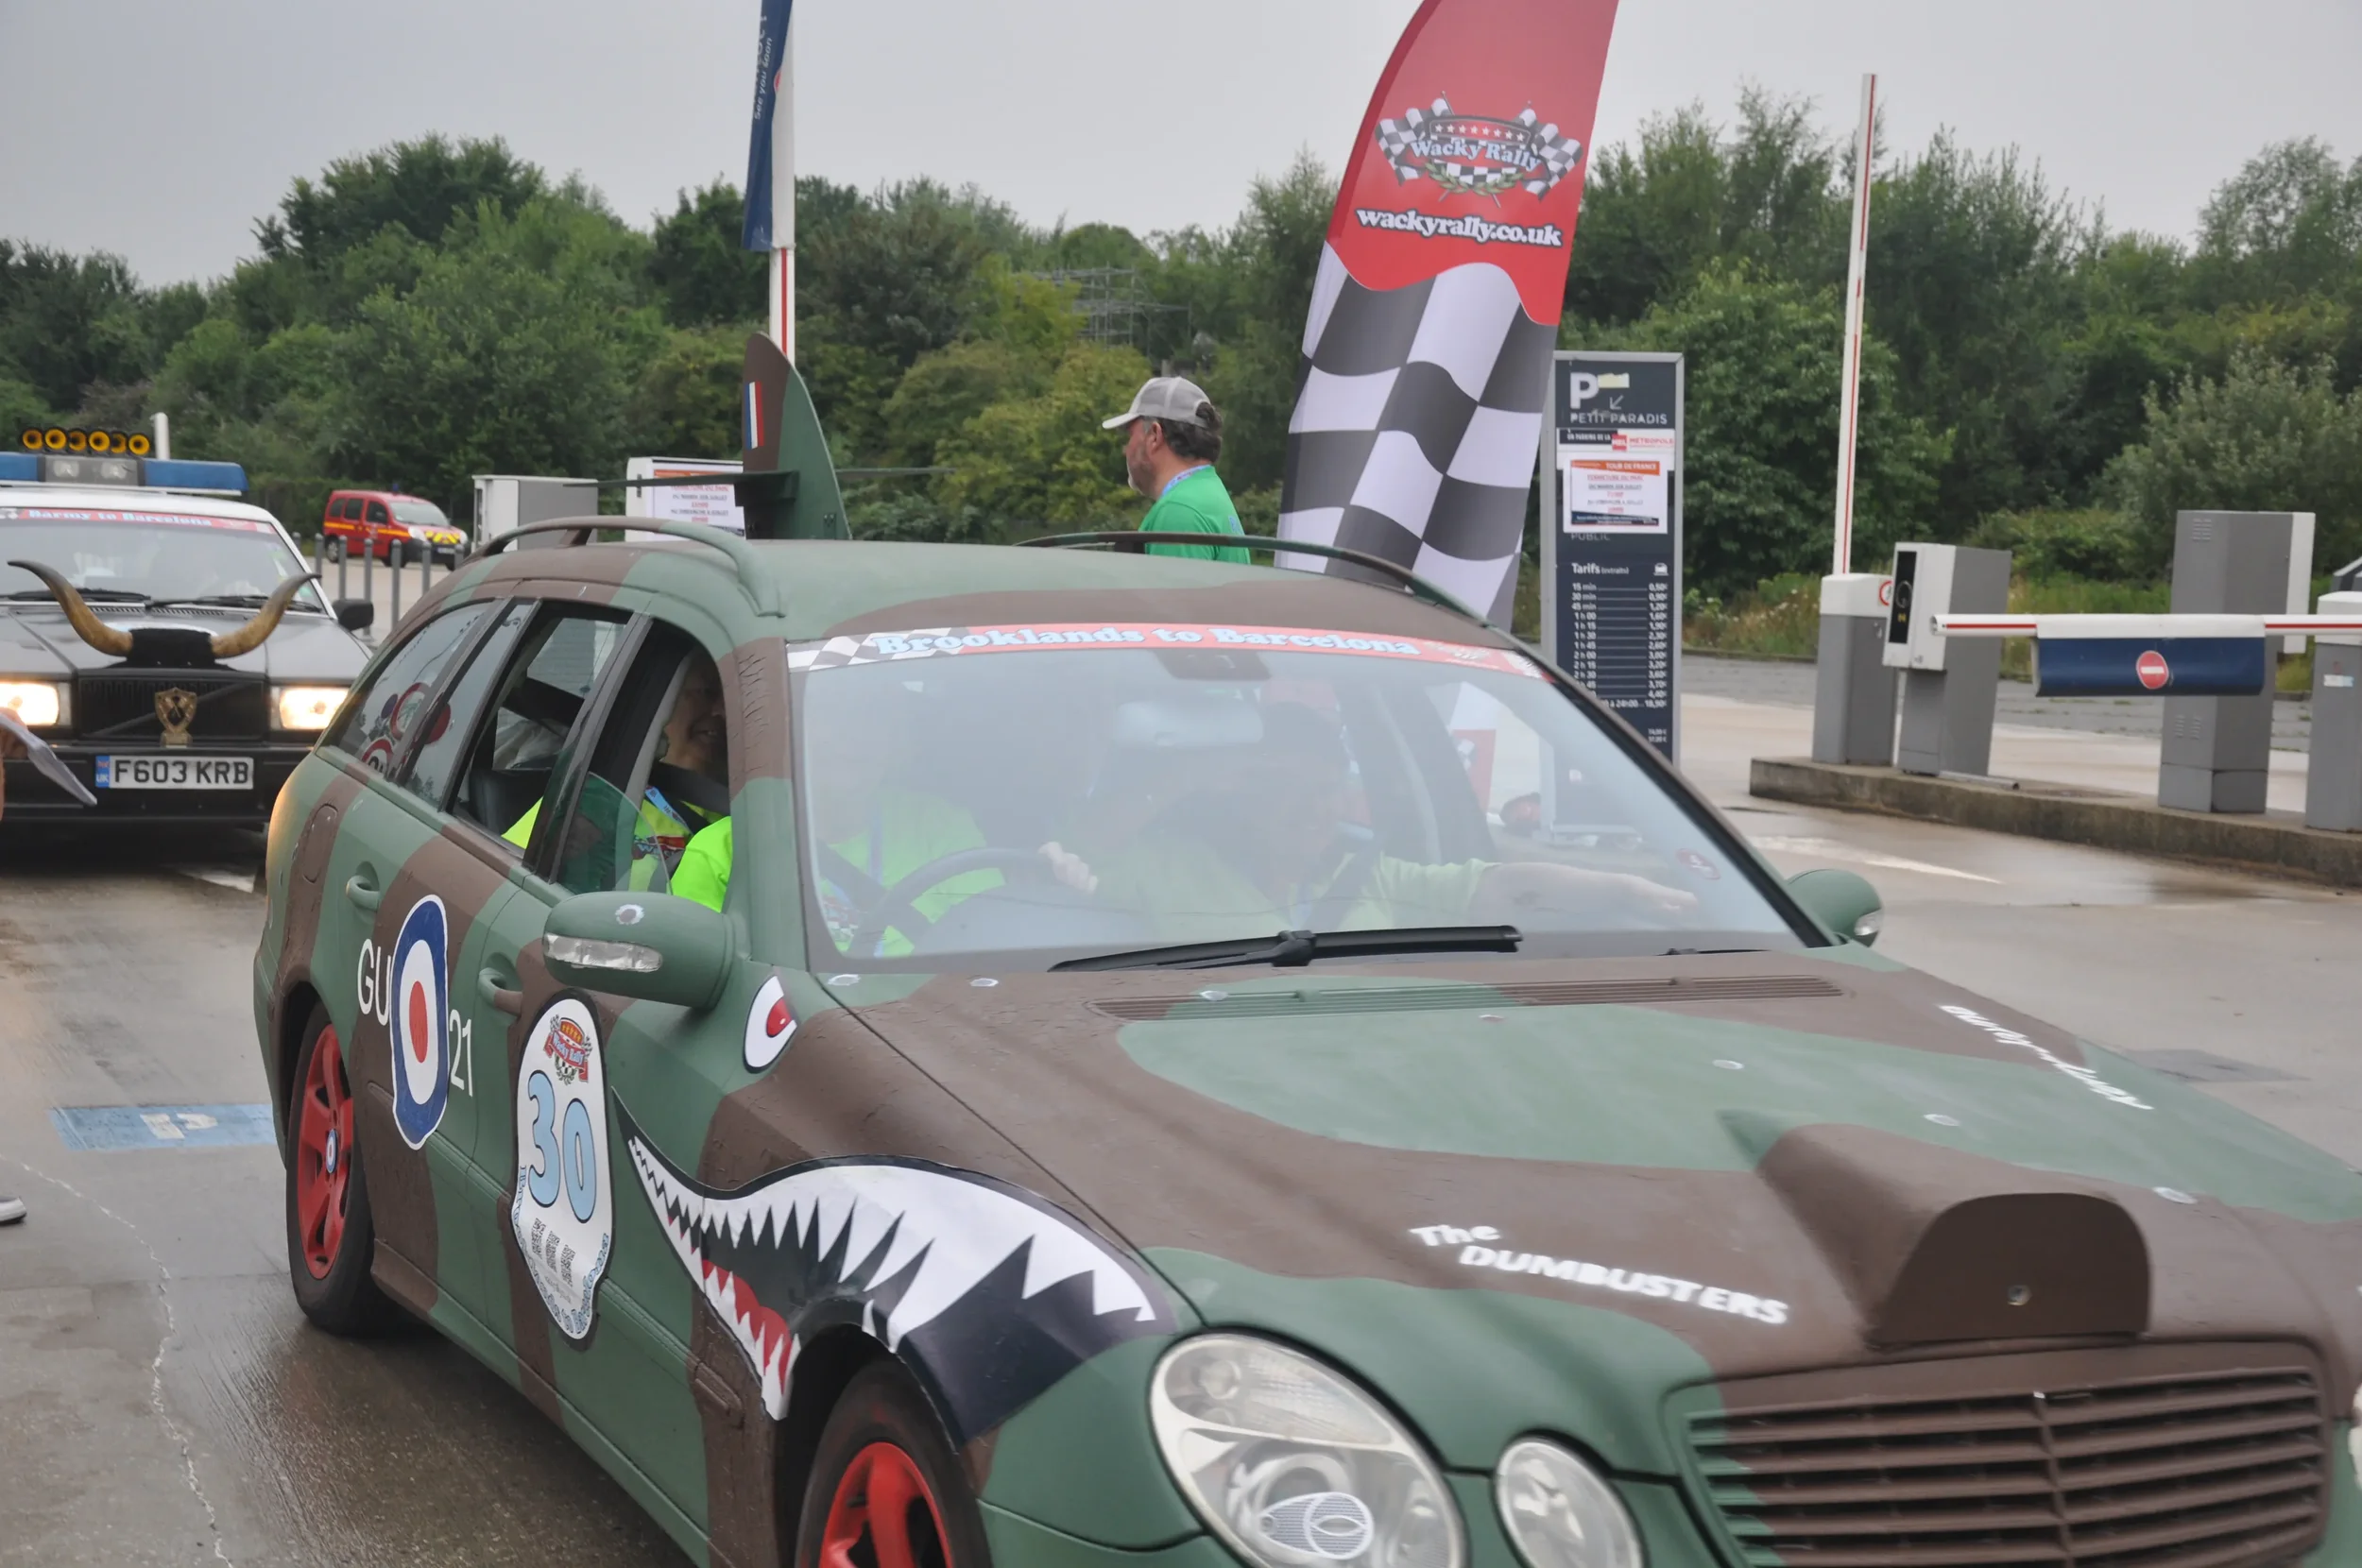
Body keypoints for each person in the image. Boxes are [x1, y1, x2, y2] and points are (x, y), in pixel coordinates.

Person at [1089, 703, 1695, 944]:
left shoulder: (1369, 876)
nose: (1315, 809)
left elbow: (1507, 887)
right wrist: (1199, 771)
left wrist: (1625, 888)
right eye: (1288, 790)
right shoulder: (1167, 865)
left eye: (1327, 790)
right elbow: (1080, 850)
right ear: (1236, 796)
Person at [508, 654, 731, 907]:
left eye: (733, 698)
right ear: (660, 706)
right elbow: (514, 888)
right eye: (707, 691)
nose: (722, 710)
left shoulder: (743, 820)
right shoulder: (595, 800)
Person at [1102, 377, 1251, 563]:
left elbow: (1173, 593)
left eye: (1130, 435)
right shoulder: (1208, 492)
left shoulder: (1179, 510)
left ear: (1154, 436)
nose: (1126, 449)